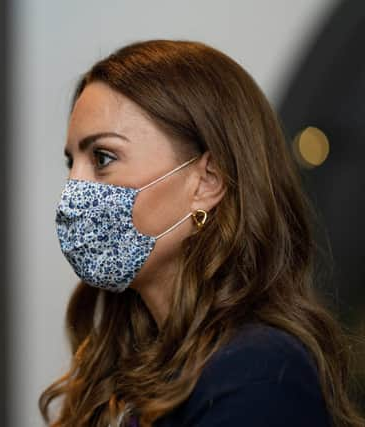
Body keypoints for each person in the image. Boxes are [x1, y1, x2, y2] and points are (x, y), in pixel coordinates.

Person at [40, 40, 364, 427]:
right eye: (71, 162)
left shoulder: (258, 370)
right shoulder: (138, 369)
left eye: (103, 158)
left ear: (207, 182)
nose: (73, 191)